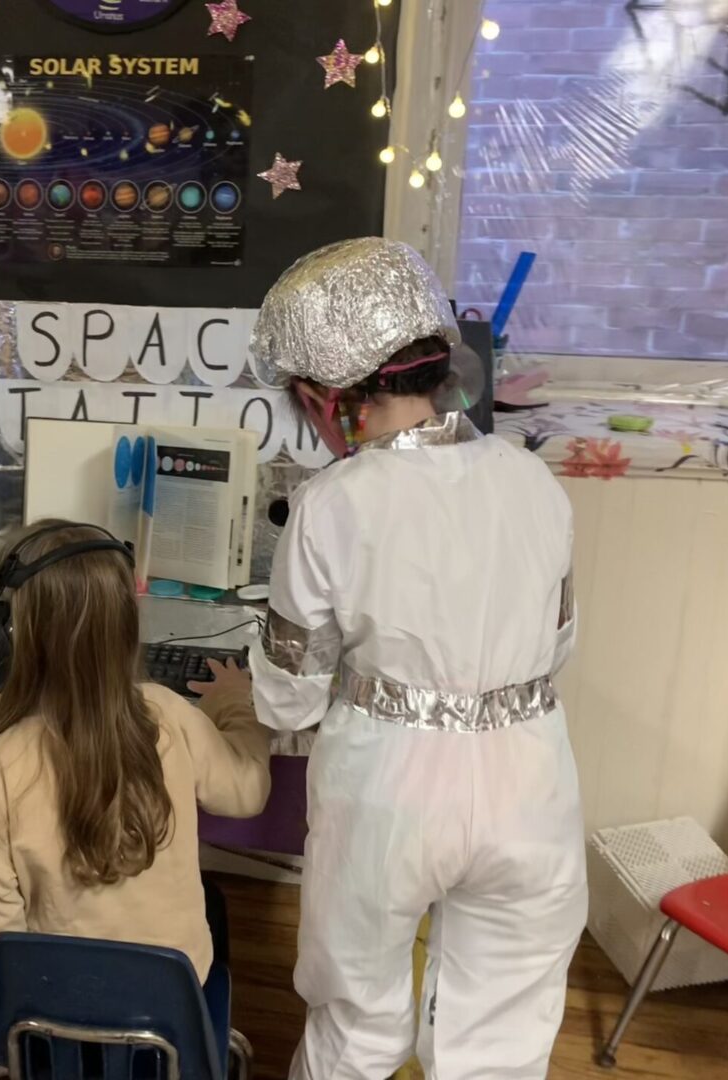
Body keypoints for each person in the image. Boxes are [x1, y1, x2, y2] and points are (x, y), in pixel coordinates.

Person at [249, 238, 583, 1080]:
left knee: (356, 1028)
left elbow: (287, 699)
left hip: (386, 787)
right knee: (501, 1044)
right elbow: (559, 643)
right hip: (531, 780)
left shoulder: (332, 502)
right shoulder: (535, 481)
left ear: (328, 397)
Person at [0, 521, 273, 1056]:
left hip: (52, 1029)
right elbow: (247, 791)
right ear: (126, 627)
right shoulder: (167, 718)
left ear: (7, 635)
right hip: (172, 1026)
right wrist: (238, 706)